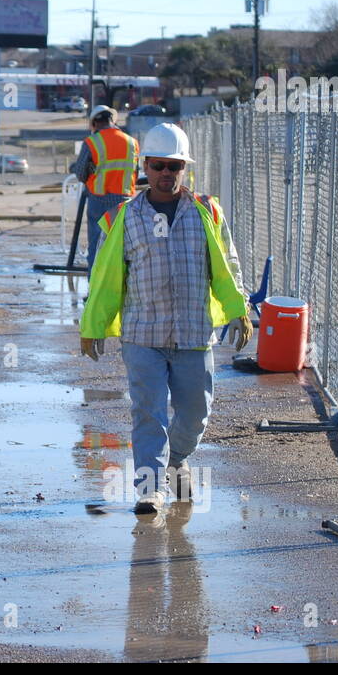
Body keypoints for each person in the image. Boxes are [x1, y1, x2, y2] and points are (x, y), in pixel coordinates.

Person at [78, 122, 253, 514]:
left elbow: (228, 265)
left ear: (184, 168)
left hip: (193, 334)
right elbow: (105, 279)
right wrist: (92, 325)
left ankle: (176, 459)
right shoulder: (123, 217)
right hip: (143, 334)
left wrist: (239, 309)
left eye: (174, 166)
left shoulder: (207, 212)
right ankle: (150, 488)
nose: (165, 174)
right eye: (158, 166)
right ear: (145, 166)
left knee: (195, 413)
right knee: (148, 412)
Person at [70, 105, 139, 270]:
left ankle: (95, 290)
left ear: (94, 123)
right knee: (123, 246)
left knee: (97, 246)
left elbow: (80, 174)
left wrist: (81, 168)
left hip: (99, 200)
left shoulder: (92, 142)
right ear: (113, 121)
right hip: (125, 201)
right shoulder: (132, 142)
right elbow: (135, 172)